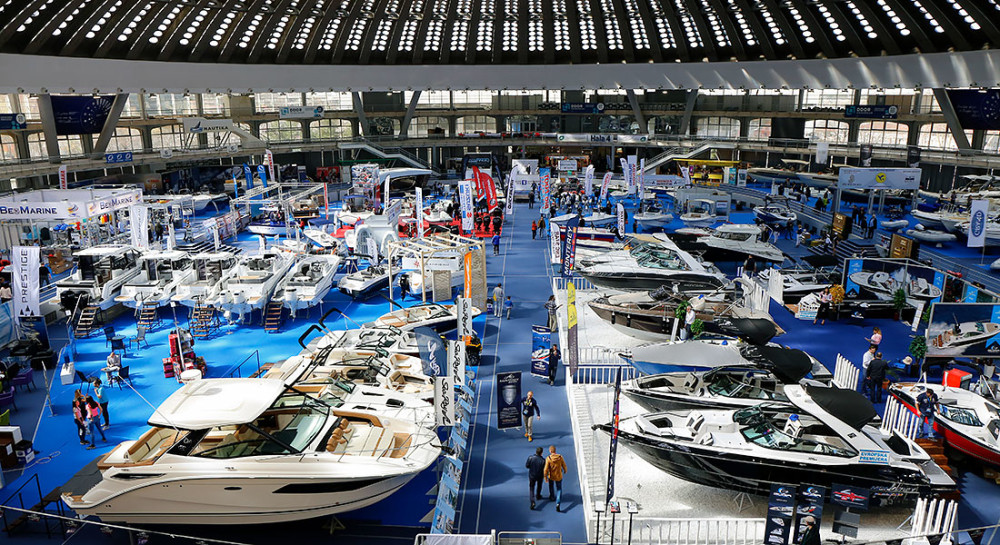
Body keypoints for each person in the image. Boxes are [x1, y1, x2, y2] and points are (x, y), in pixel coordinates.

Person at [544, 445, 568, 512]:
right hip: (558, 476)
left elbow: (545, 469)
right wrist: (565, 470)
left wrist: (545, 477)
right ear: (555, 451)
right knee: (559, 489)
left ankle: (552, 497)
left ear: (550, 451)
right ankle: (558, 503)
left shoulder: (548, 458)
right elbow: (564, 465)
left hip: (551, 476)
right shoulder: (560, 457)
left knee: (551, 486)